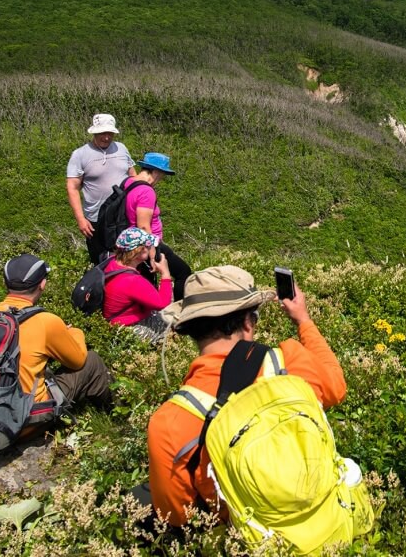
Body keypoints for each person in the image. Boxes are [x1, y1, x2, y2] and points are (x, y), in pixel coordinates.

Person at [147, 266, 347, 529]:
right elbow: (337, 388)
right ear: (247, 323)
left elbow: (175, 516)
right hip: (323, 515)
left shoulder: (169, 422)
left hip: (245, 535)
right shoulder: (290, 360)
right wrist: (304, 321)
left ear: (190, 330)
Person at [0, 254, 114, 432]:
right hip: (22, 421)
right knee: (92, 361)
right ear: (42, 284)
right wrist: (73, 332)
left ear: (6, 284)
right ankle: (115, 413)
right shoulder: (45, 321)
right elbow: (78, 361)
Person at [66, 113, 136, 265]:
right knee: (101, 261)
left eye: (109, 133)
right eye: (102, 133)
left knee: (128, 258)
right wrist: (80, 219)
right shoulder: (80, 155)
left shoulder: (122, 148)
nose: (106, 137)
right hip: (96, 218)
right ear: (94, 132)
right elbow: (72, 187)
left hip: (123, 215)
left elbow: (132, 176)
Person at [123, 152, 191, 300]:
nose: (161, 178)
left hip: (130, 240)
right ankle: (179, 311)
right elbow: (144, 227)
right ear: (155, 171)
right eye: (162, 174)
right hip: (147, 244)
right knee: (183, 273)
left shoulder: (128, 182)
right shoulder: (146, 191)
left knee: (145, 281)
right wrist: (153, 253)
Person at [103, 227, 173, 344]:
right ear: (140, 251)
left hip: (113, 321)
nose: (151, 248)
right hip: (126, 329)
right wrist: (165, 274)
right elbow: (163, 303)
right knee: (169, 320)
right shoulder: (132, 280)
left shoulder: (112, 263)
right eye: (148, 246)